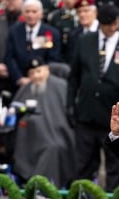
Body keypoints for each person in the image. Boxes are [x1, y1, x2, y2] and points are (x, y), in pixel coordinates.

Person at [67, 3, 119, 191]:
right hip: (87, 112)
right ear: (100, 23)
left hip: (116, 115)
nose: (113, 27)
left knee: (115, 164)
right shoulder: (85, 41)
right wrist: (69, 104)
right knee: (83, 163)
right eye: (108, 23)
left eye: (115, 22)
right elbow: (74, 76)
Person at [10, 57, 75, 187]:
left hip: (56, 134)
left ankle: (45, 185)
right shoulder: (26, 89)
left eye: (39, 71)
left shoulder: (61, 86)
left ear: (46, 70)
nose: (36, 76)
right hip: (29, 137)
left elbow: (71, 111)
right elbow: (14, 108)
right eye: (32, 73)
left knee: (53, 147)